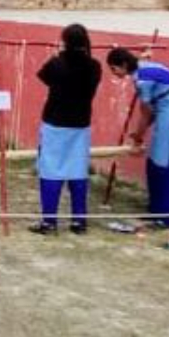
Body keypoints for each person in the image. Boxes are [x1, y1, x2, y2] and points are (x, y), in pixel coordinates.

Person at [106, 48, 169, 228]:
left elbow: (146, 111)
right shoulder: (143, 67)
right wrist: (139, 134)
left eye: (114, 68)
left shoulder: (142, 79)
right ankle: (156, 209)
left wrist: (138, 135)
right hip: (165, 111)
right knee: (155, 161)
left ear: (124, 65)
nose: (114, 73)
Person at [30, 24, 102, 235]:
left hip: (55, 123)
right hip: (80, 124)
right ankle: (79, 221)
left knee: (51, 171)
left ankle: (49, 222)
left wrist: (57, 55)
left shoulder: (57, 64)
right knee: (78, 171)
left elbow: (43, 76)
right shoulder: (94, 66)